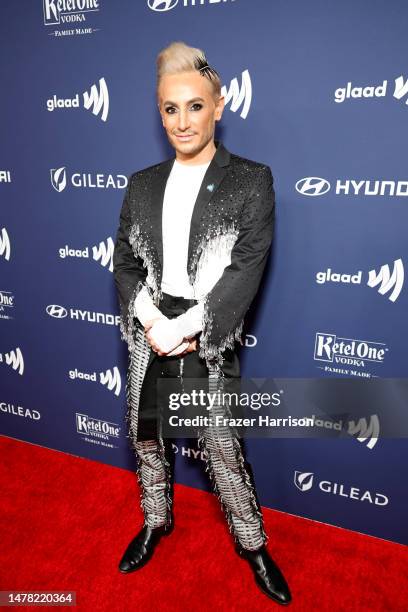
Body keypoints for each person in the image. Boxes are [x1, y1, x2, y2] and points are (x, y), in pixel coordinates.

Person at [112, 41, 292, 605]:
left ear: (218, 105)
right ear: (159, 112)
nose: (182, 120)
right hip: (150, 324)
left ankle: (252, 544)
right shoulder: (141, 183)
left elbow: (245, 268)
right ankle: (155, 521)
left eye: (195, 106)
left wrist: (186, 327)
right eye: (170, 108)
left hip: (203, 329)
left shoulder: (250, 179)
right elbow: (125, 260)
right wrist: (148, 318)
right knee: (146, 438)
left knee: (219, 446)